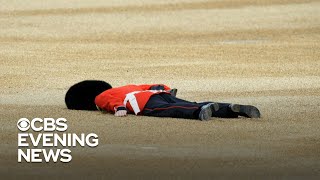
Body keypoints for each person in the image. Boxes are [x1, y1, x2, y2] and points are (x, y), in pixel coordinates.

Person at [65, 80, 261, 121]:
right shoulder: (126, 86)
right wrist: (164, 89)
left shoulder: (101, 97)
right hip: (156, 93)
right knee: (192, 101)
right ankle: (230, 109)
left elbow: (107, 101)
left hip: (143, 104)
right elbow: (147, 85)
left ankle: (198, 113)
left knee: (175, 109)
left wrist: (118, 108)